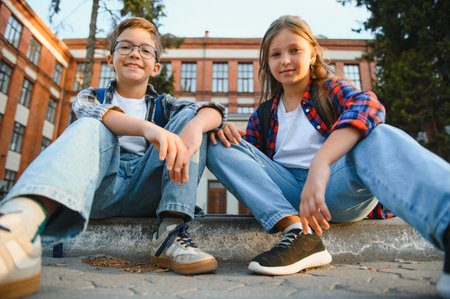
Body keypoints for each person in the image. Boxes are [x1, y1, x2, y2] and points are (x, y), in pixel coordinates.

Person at [207, 15, 450, 298]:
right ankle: (298, 235)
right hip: (288, 198)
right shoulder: (263, 114)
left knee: (379, 135)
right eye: (276, 54)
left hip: (331, 190)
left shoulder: (329, 90)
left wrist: (321, 163)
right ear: (267, 63)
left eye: (294, 50)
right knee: (216, 141)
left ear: (312, 54)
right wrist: (225, 132)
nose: (285, 60)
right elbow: (250, 168)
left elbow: (369, 106)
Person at [0, 17, 226, 299]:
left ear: (155, 67)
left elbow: (212, 108)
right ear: (110, 58)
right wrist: (148, 129)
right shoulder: (90, 96)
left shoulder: (164, 104)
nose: (135, 53)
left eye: (145, 50)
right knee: (92, 125)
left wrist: (195, 125)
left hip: (150, 190)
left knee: (190, 116)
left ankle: (171, 233)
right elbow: (99, 115)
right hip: (103, 189)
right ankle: (17, 229)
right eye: (126, 47)